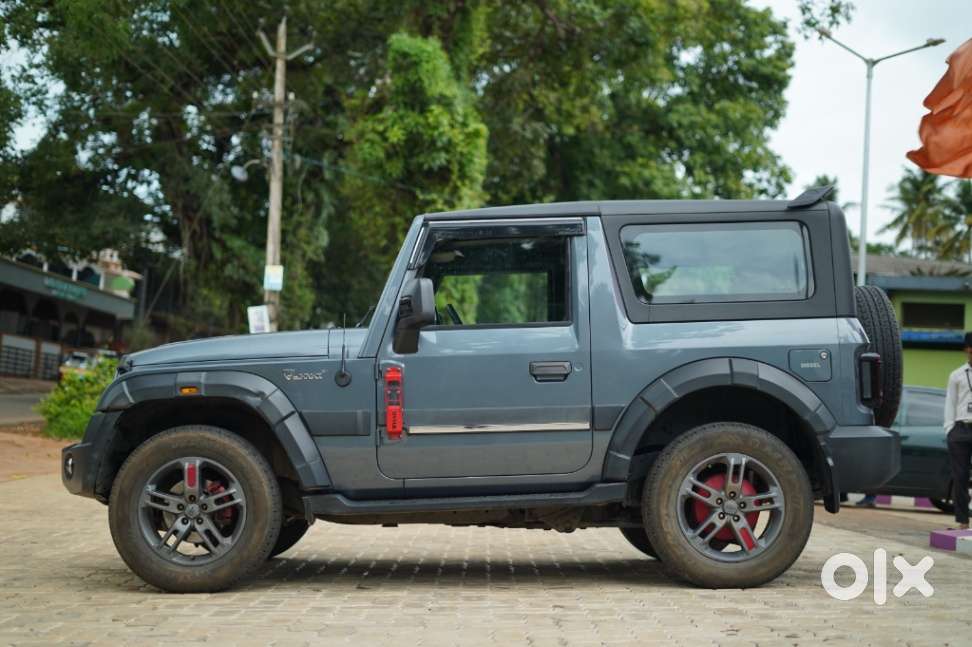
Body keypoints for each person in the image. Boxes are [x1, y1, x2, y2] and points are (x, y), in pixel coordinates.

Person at [943, 332, 972, 530]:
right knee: (960, 476)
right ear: (966, 350)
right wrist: (949, 429)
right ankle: (963, 521)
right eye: (970, 348)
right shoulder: (957, 375)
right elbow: (950, 404)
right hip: (961, 429)